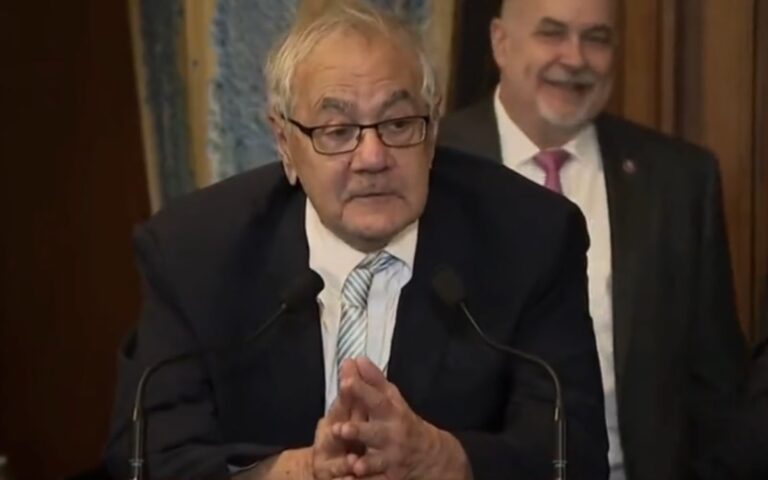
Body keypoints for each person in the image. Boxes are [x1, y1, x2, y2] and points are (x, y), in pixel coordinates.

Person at [105, 1, 608, 479]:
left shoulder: (530, 238)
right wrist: (298, 472)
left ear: (432, 132)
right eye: (337, 130)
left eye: (397, 123)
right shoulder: (195, 251)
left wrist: (438, 459)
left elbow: (574, 454)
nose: (372, 156)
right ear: (285, 143)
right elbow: (146, 455)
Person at [438, 0, 748, 479]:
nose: (576, 58)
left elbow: (717, 390)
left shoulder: (679, 181)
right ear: (501, 42)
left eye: (596, 39)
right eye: (552, 34)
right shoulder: (431, 165)